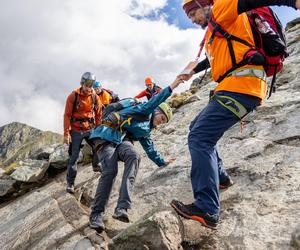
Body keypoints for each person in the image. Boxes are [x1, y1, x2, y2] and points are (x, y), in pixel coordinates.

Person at [170, 0, 300, 230]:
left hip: (241, 86)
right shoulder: (216, 29)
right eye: (189, 16)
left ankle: (207, 208)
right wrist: (192, 71)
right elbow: (216, 57)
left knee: (200, 138)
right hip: (236, 86)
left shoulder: (222, 8)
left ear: (205, 4)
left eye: (193, 12)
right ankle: (220, 178)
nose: (191, 19)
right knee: (195, 128)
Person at [88, 76, 184, 231]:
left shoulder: (145, 129)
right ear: (156, 111)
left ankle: (122, 208)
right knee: (110, 171)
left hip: (121, 139)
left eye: (164, 122)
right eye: (161, 118)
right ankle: (96, 214)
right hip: (106, 135)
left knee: (134, 156)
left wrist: (162, 162)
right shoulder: (144, 110)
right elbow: (155, 100)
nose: (161, 123)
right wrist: (173, 86)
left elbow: (150, 148)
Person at [64, 72, 102, 194]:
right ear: (82, 83)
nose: (89, 87)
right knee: (74, 157)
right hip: (75, 130)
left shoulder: (94, 96)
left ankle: (96, 165)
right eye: (87, 84)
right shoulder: (73, 96)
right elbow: (67, 115)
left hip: (90, 128)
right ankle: (70, 183)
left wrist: (98, 128)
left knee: (98, 146)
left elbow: (98, 112)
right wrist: (66, 133)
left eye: (91, 84)